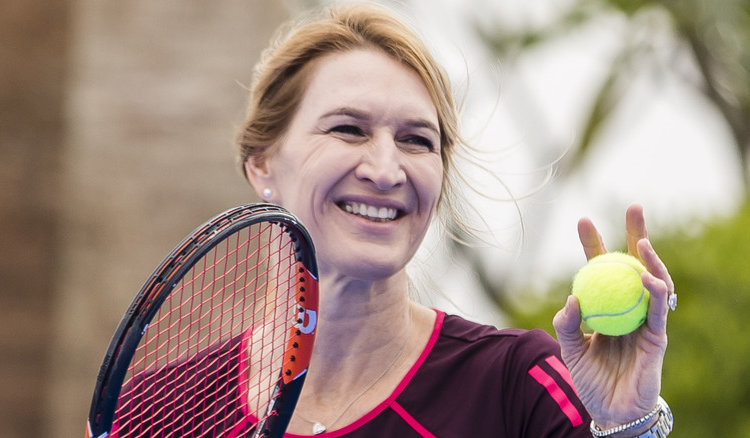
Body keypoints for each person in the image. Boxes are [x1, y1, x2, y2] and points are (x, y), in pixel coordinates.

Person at [237, 3, 676, 437]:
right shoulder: (176, 400)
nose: (387, 171)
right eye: (348, 130)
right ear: (262, 164)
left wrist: (625, 426)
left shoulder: (516, 386)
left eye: (416, 140)